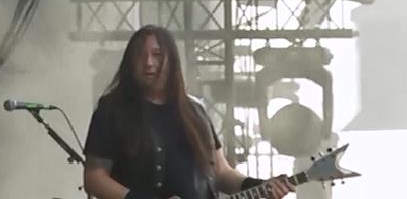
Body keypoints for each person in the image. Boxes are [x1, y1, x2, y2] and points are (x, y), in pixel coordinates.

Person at [82, 26, 295, 199]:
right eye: (140, 55)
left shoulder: (195, 110)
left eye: (157, 55)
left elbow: (221, 172)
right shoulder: (112, 110)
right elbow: (94, 177)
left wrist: (258, 185)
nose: (148, 62)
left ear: (172, 61)